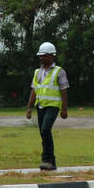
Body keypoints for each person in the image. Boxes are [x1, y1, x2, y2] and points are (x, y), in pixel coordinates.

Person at [24, 41, 68, 170]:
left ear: (51, 56)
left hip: (53, 106)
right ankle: (51, 162)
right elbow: (34, 90)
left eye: (44, 55)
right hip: (40, 106)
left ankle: (46, 159)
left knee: (45, 130)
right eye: (40, 55)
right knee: (43, 133)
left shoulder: (59, 71)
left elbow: (64, 90)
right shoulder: (37, 72)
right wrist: (29, 107)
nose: (42, 58)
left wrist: (64, 109)